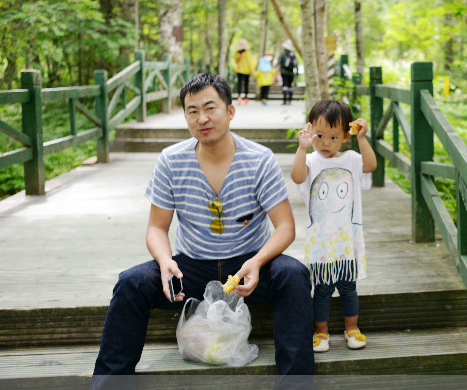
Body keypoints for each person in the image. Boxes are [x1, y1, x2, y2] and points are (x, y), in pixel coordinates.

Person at [92, 74, 314, 387]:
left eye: (210, 108)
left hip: (248, 268)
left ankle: (296, 384)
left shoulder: (259, 159)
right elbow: (156, 227)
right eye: (192, 111)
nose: (202, 118)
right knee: (131, 283)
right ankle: (109, 384)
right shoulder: (171, 160)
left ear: (230, 111)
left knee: (293, 275)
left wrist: (258, 262)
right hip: (190, 270)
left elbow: (286, 227)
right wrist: (165, 260)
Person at [290, 99, 377, 353]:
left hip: (347, 242)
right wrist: (302, 148)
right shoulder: (311, 162)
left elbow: (370, 166)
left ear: (345, 136)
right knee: (323, 289)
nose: (325, 143)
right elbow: (296, 177)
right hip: (320, 243)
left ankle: (352, 329)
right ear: (309, 131)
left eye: (333, 137)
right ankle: (321, 332)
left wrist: (363, 139)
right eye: (319, 136)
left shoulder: (351, 159)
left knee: (349, 288)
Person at [234, 39, 255, 105]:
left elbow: (235, 60)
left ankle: (239, 97)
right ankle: (246, 98)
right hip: (247, 71)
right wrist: (252, 70)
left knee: (239, 84)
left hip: (239, 70)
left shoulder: (237, 53)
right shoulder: (247, 53)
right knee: (246, 84)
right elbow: (250, 62)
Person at [278, 40, 298, 105]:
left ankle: (284, 100)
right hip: (291, 73)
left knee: (284, 86)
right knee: (290, 86)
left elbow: (279, 61)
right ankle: (290, 100)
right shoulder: (293, 54)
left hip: (284, 72)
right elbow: (296, 64)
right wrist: (297, 73)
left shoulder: (283, 53)